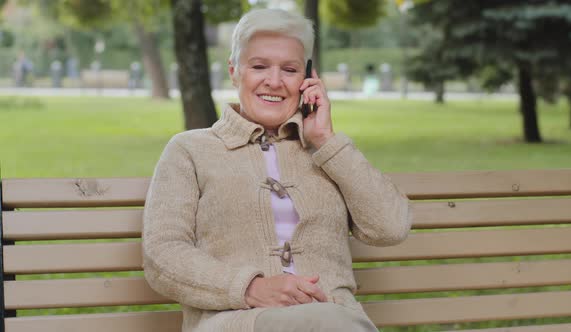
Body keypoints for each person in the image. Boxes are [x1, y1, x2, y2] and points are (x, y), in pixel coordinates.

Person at [142, 8, 412, 332]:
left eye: (289, 69)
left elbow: (391, 227)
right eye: (258, 67)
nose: (274, 81)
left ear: (308, 78)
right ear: (234, 71)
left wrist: (326, 141)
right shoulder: (189, 150)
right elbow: (162, 255)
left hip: (333, 317)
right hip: (235, 320)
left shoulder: (328, 153)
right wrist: (250, 288)